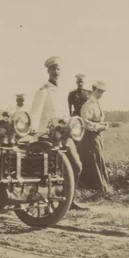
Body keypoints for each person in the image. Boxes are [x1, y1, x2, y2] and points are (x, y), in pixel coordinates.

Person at [28, 56, 89, 210]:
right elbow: (35, 113)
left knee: (76, 165)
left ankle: (70, 200)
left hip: (64, 136)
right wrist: (35, 134)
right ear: (48, 71)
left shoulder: (63, 91)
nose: (56, 71)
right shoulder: (43, 91)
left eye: (58, 68)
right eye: (53, 69)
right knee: (50, 171)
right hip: (48, 137)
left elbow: (66, 113)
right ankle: (48, 202)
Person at [77, 80, 113, 194]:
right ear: (93, 89)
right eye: (99, 91)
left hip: (97, 135)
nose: (100, 94)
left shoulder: (97, 104)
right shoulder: (87, 105)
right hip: (89, 137)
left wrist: (103, 125)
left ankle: (97, 186)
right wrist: (100, 127)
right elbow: (85, 123)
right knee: (92, 159)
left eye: (102, 92)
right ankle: (95, 186)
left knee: (98, 158)